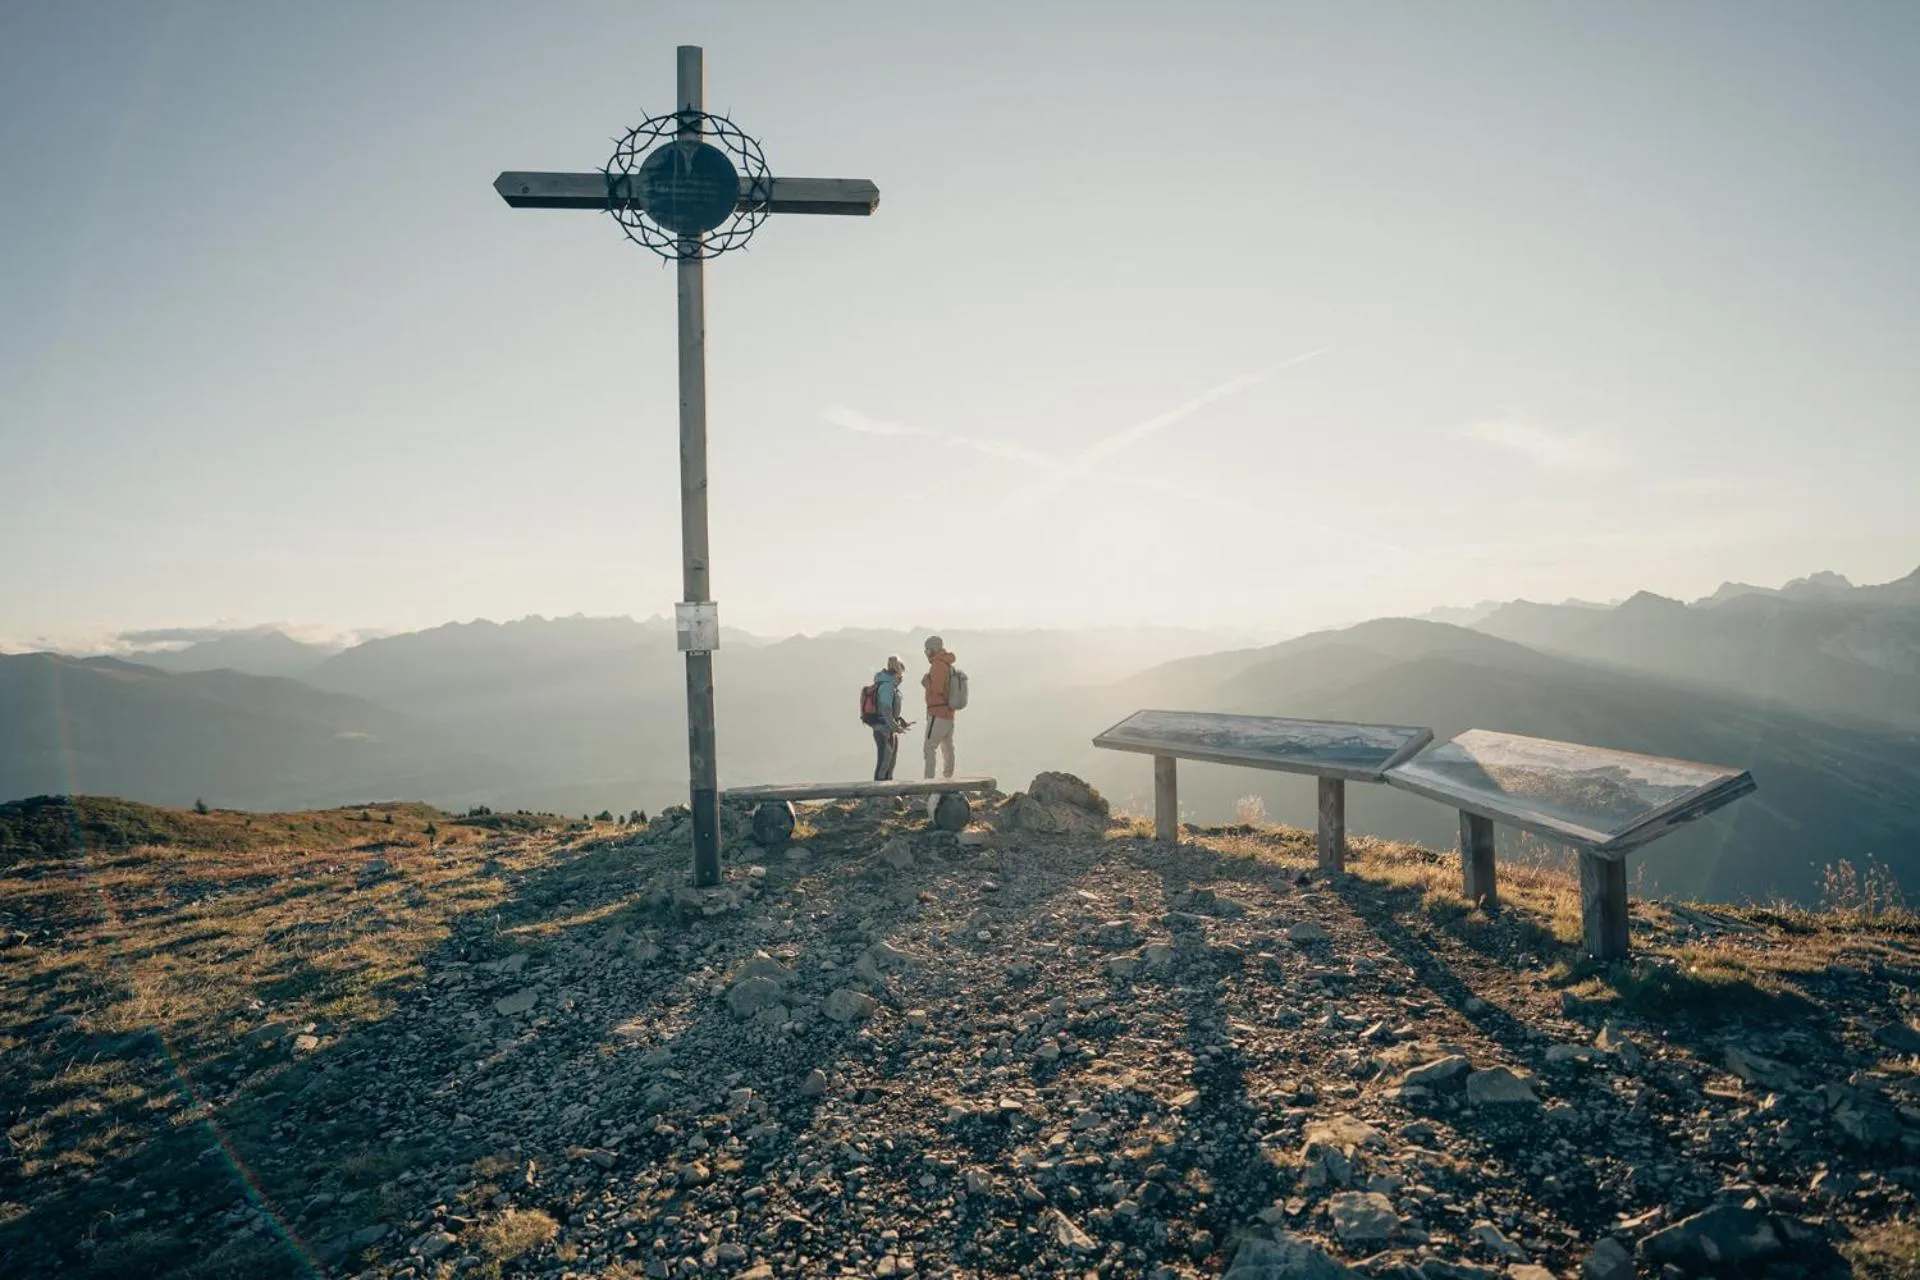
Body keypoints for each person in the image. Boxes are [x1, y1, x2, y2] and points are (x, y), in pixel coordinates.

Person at [921, 634, 959, 779]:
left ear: (932, 650)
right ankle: (948, 777)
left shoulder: (937, 665)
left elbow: (937, 689)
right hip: (949, 713)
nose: (926, 654)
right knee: (947, 746)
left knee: (929, 748)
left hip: (937, 713)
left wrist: (926, 683)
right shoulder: (947, 664)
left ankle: (929, 782)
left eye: (927, 651)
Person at [867, 656, 909, 781]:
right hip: (884, 730)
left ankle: (886, 793)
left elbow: (888, 710)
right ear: (898, 670)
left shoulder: (887, 685)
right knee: (884, 763)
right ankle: (878, 795)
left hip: (886, 729)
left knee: (889, 762)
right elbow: (886, 711)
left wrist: (899, 721)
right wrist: (896, 727)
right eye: (902, 672)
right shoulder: (887, 687)